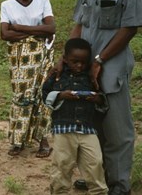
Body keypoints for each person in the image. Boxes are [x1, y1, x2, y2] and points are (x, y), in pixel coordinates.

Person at [56, 0, 142, 195]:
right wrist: (65, 57)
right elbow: (79, 24)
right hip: (84, 68)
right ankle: (97, 179)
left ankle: (119, 186)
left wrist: (100, 59)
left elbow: (129, 28)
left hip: (111, 67)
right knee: (92, 129)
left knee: (117, 131)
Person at [0, 0, 55, 158]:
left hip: (42, 57)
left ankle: (43, 140)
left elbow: (51, 29)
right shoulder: (7, 5)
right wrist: (37, 30)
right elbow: (5, 34)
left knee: (42, 96)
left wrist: (19, 28)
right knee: (20, 97)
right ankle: (18, 141)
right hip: (18, 60)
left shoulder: (43, 1)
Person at [42, 38, 108, 195]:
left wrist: (98, 99)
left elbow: (102, 100)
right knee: (62, 165)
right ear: (64, 59)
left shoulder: (91, 77)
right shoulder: (57, 75)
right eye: (75, 61)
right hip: (64, 129)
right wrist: (61, 95)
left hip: (88, 129)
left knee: (95, 163)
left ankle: (99, 191)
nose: (79, 65)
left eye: (83, 62)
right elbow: (45, 96)